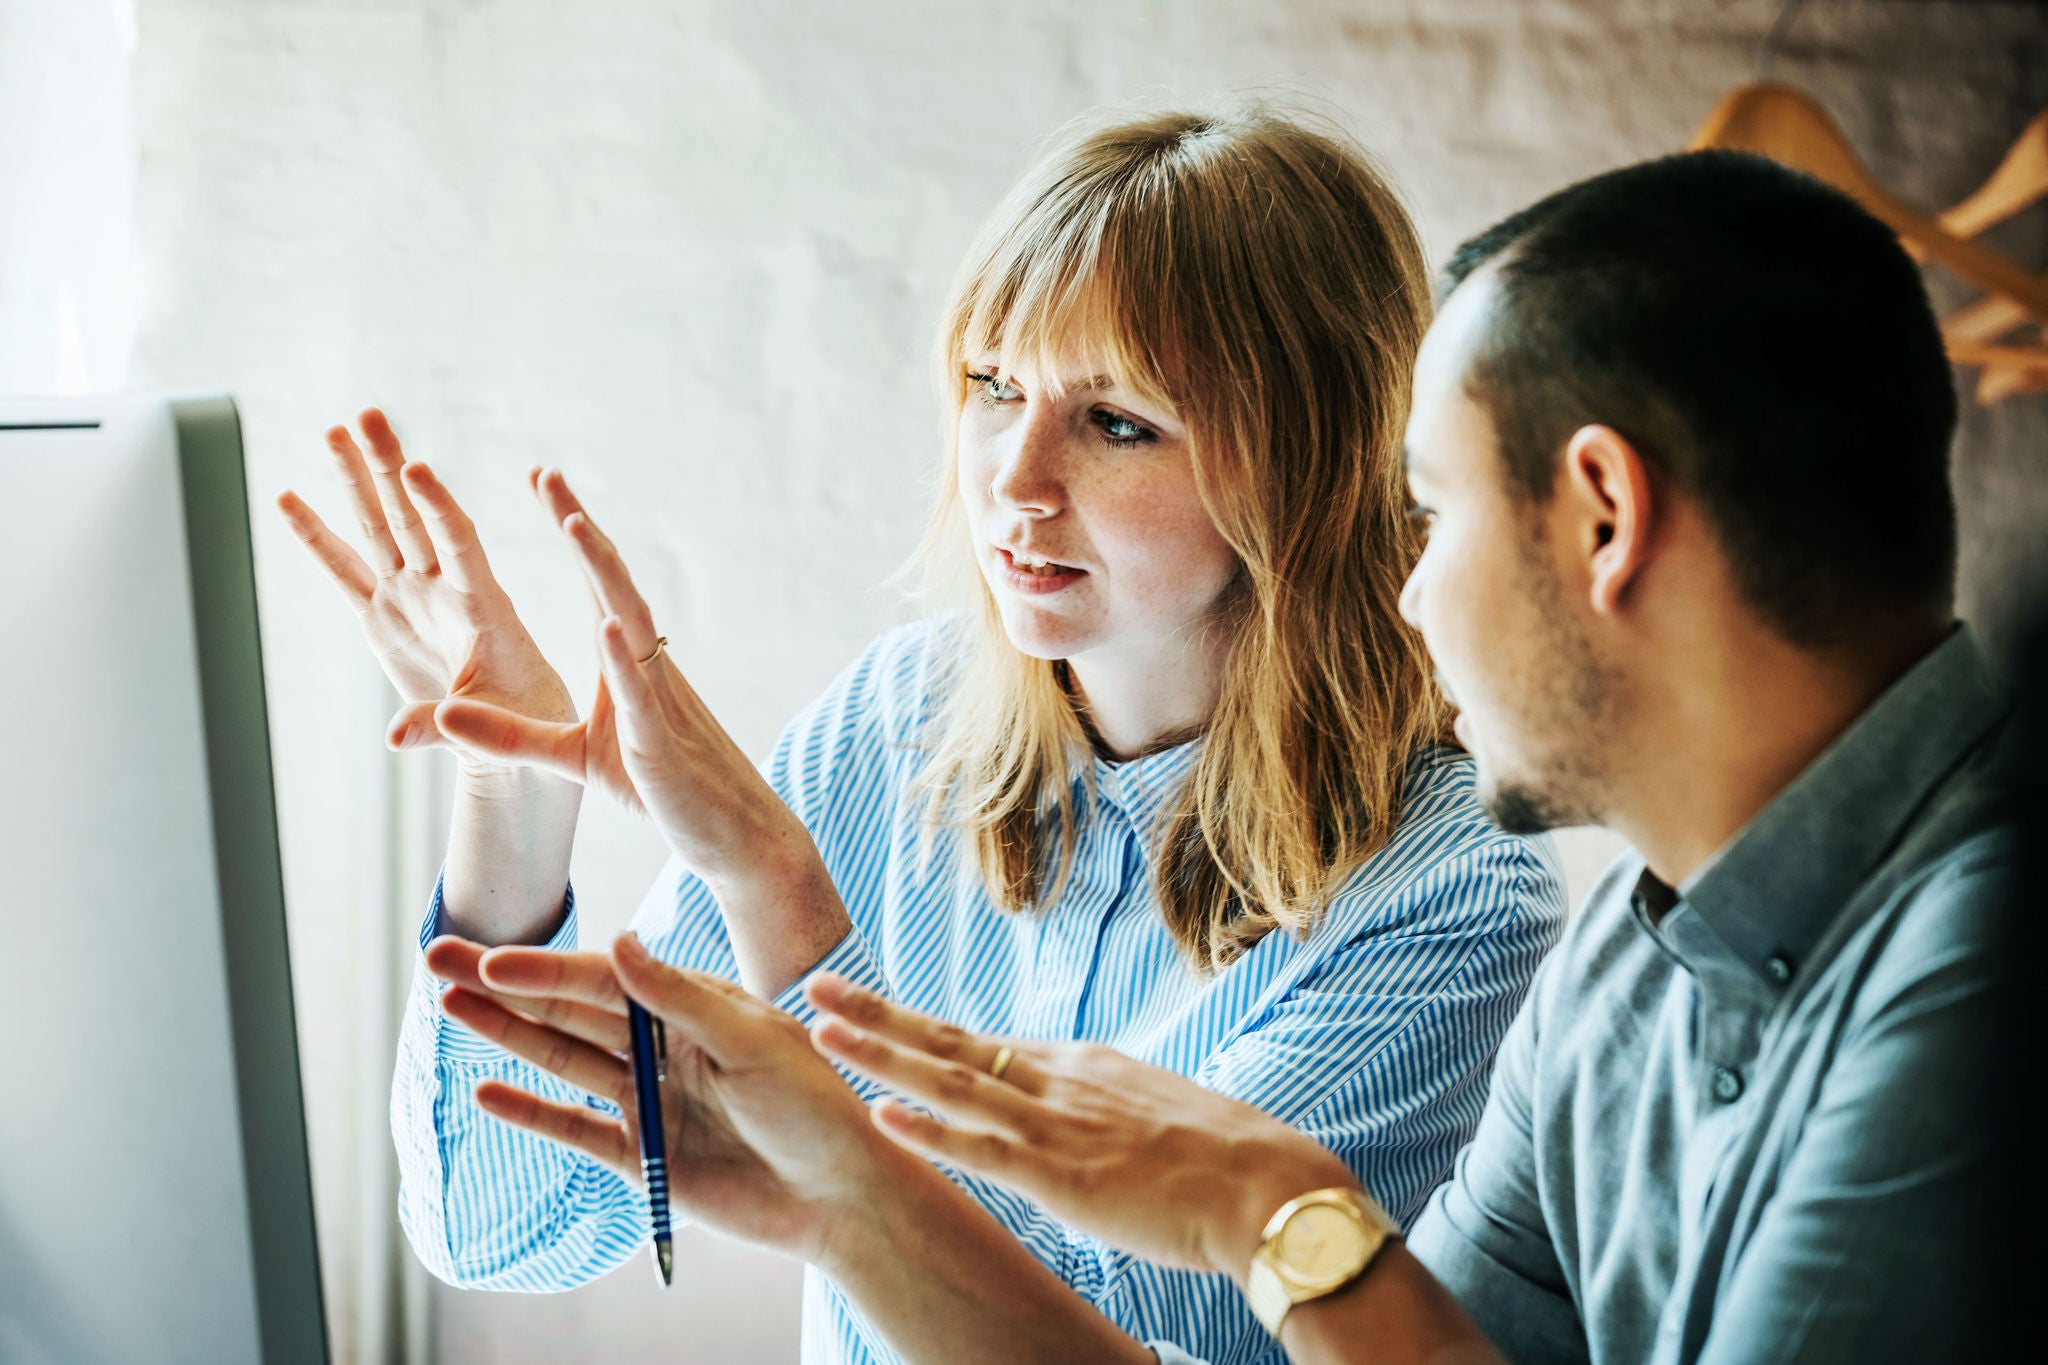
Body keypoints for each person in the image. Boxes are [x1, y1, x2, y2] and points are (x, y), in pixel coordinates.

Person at [277, 106, 1565, 1364]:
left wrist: (776, 890)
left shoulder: (1451, 890)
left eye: (1116, 421)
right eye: (993, 387)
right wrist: (512, 793)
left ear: (1309, 463)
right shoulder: (896, 721)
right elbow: (509, 1229)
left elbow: (1108, 1335)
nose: (1011, 477)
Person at [774, 149, 2010, 1362]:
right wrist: (837, 1192)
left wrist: (1271, 1215)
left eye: (1432, 510)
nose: (1407, 597)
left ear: (1603, 520)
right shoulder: (1617, 978)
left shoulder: (1989, 979)